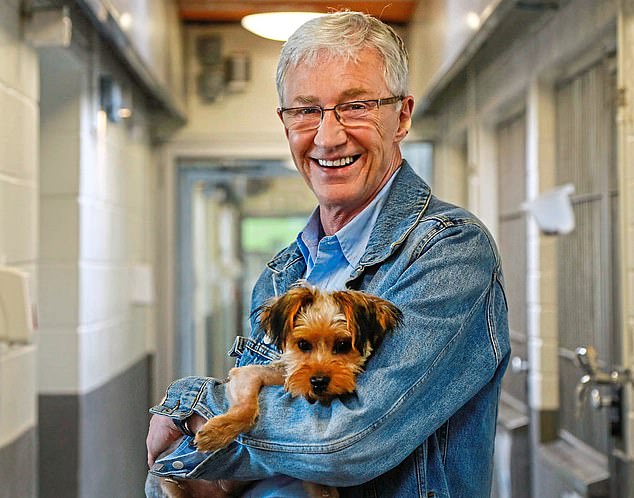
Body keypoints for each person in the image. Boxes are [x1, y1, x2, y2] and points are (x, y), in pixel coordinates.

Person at [146, 11, 510, 498]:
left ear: (402, 116)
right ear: (285, 122)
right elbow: (206, 461)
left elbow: (344, 442)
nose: (328, 136)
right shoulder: (285, 272)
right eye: (305, 110)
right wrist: (197, 463)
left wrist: (193, 408)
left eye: (355, 105)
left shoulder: (448, 251)